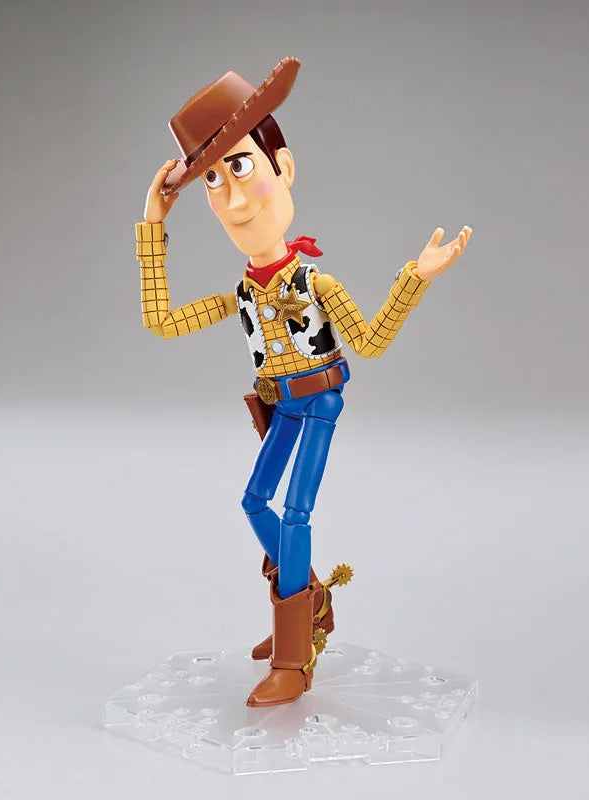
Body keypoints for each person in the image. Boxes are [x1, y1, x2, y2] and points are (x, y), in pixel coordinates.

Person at [137, 57, 471, 707]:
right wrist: (153, 225)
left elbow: (369, 340)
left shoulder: (317, 282)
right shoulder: (241, 292)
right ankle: (308, 600)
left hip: (318, 401)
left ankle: (294, 655)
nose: (233, 200)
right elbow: (161, 321)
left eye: (241, 169)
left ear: (283, 169)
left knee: (296, 513)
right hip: (281, 407)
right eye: (213, 182)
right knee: (254, 503)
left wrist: (414, 278)